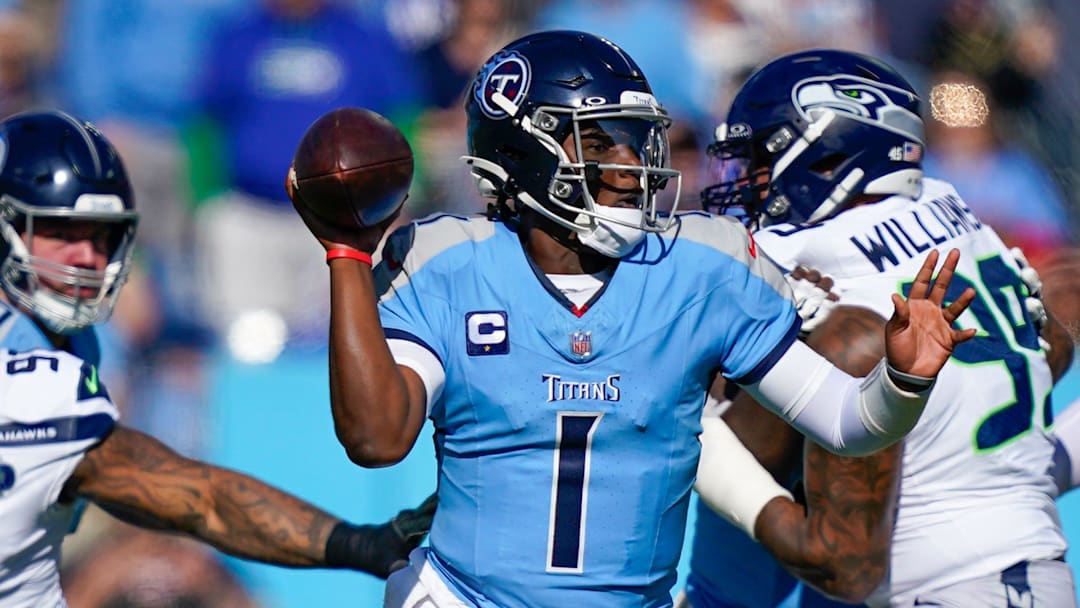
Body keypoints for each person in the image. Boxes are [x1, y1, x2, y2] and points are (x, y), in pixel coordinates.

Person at [287, 31, 977, 607]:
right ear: (523, 153)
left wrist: (901, 381)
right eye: (603, 142)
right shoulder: (447, 263)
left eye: (637, 141)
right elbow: (377, 438)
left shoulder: (701, 265)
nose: (631, 167)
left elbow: (848, 426)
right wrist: (347, 254)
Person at [688, 49, 1076, 607]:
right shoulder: (953, 209)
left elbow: (842, 565)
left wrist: (698, 441)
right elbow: (1049, 347)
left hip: (930, 587)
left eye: (761, 159)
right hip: (1038, 570)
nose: (747, 181)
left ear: (826, 158)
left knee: (708, 414)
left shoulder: (797, 252)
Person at [0, 110, 433, 606]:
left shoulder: (73, 337)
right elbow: (201, 501)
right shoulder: (32, 379)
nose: (87, 258)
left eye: (101, 235)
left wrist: (361, 545)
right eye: (62, 232)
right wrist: (361, 545)